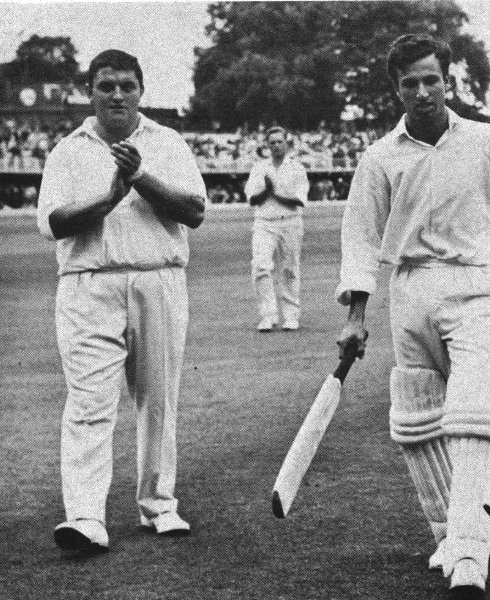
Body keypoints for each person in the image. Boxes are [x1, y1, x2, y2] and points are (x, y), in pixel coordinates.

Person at [334, 34, 490, 600]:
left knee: (476, 414)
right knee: (418, 422)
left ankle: (471, 554)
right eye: (411, 82)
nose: (424, 91)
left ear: (447, 80)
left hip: (473, 287)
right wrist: (356, 316)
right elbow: (359, 240)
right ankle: (449, 536)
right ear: (396, 89)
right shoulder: (381, 156)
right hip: (409, 291)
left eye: (433, 79)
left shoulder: (482, 140)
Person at [36, 49, 206, 553]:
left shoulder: (168, 143)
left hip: (158, 278)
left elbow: (194, 210)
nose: (116, 95)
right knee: (89, 401)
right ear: (89, 91)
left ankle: (159, 505)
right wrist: (110, 198)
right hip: (89, 284)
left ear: (140, 91)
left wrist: (140, 178)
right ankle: (86, 516)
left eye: (126, 86)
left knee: (158, 399)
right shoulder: (68, 150)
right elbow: (53, 222)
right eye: (106, 85)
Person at [244, 126, 309, 331]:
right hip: (264, 222)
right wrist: (266, 191)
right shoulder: (259, 168)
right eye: (272, 142)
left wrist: (274, 192)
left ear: (287, 144)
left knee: (289, 268)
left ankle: (291, 316)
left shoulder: (297, 168)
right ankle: (268, 316)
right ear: (267, 145)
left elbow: (297, 201)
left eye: (280, 142)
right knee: (261, 267)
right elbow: (253, 199)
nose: (276, 146)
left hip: (290, 222)